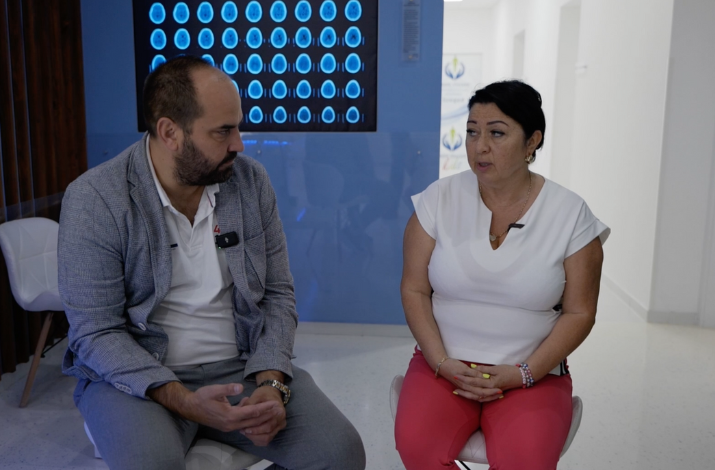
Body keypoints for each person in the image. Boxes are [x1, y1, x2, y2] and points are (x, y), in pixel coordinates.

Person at [58, 56, 365, 470]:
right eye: (223, 131)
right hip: (139, 378)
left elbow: (277, 294)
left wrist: (272, 382)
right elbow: (95, 331)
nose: (239, 144)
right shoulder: (95, 199)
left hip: (242, 367)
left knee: (340, 453)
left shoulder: (250, 182)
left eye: (238, 127)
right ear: (170, 133)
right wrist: (182, 400)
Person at [394, 80, 609, 470]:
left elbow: (581, 312)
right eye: (472, 132)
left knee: (525, 461)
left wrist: (524, 374)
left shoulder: (571, 214)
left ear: (532, 142)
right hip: (443, 367)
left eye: (496, 133)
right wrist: (440, 361)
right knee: (417, 447)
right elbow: (414, 289)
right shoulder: (437, 200)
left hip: (531, 374)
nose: (479, 146)